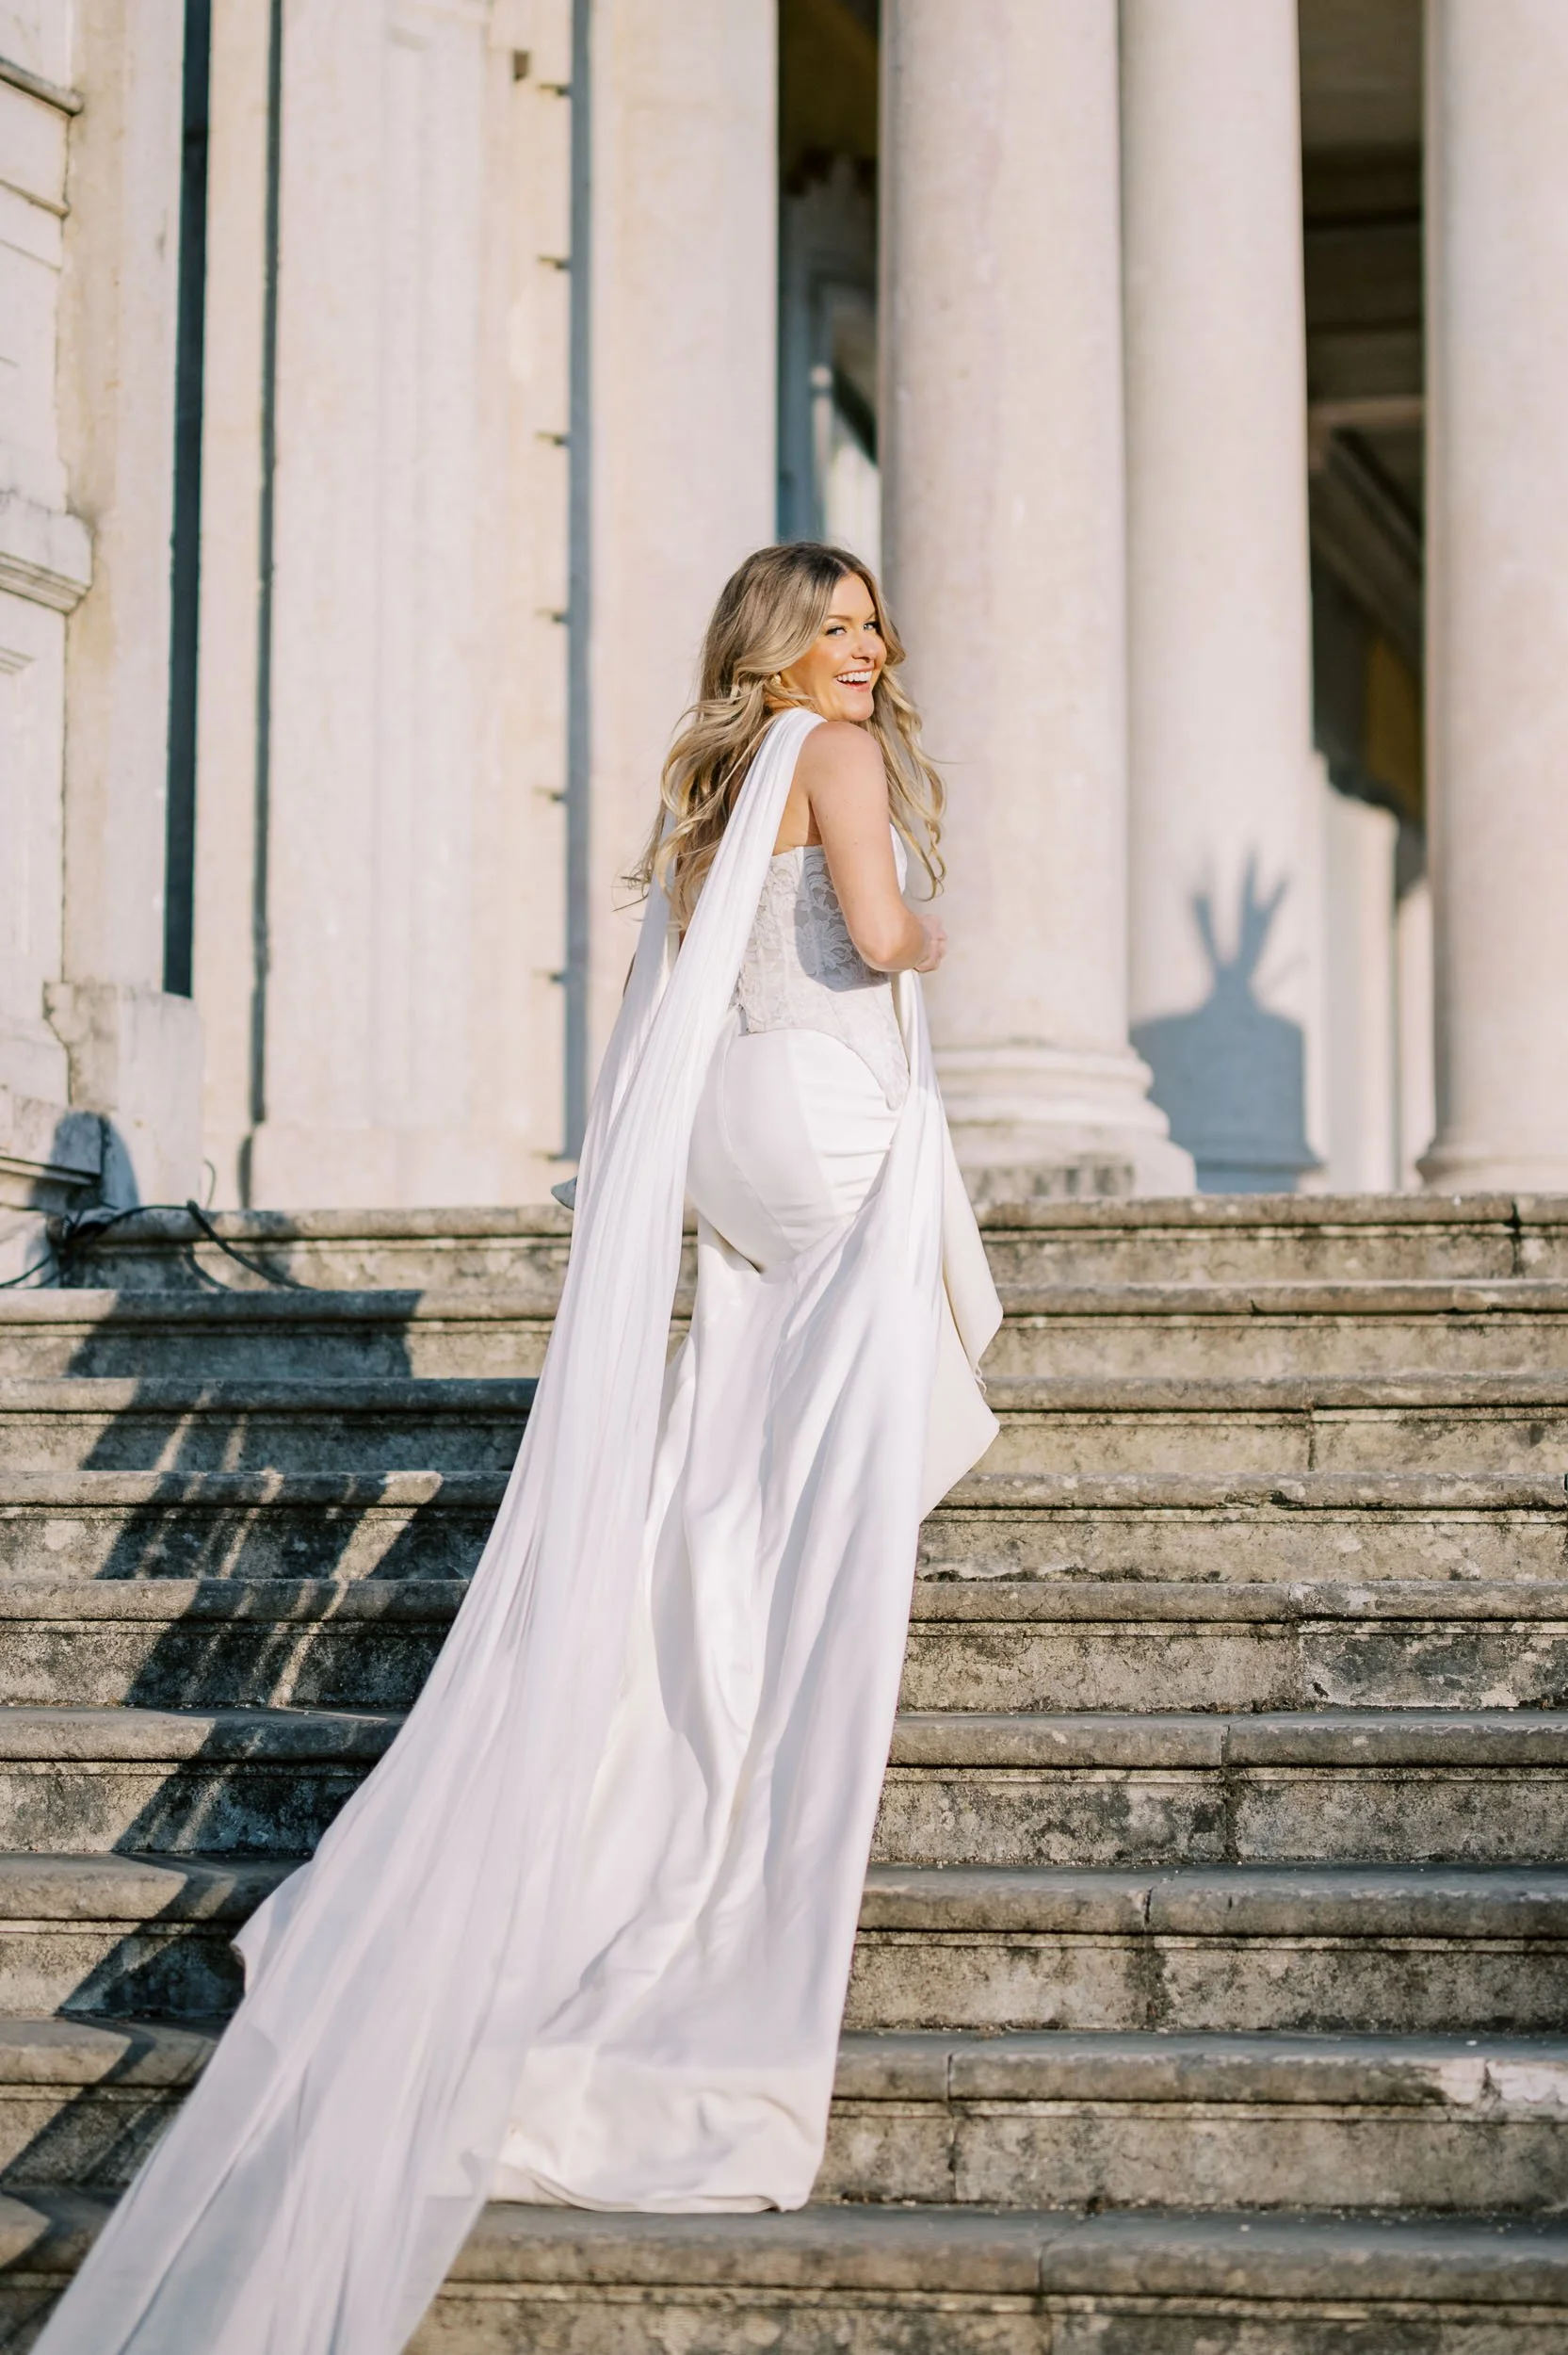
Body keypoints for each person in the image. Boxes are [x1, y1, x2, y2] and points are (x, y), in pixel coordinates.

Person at [34, 543, 1000, 2355]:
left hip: (729, 1145)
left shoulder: (713, 787)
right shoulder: (842, 762)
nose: (869, 649)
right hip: (831, 1126)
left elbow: (677, 1007)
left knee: (753, 1436)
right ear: (781, 649)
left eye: (875, 621)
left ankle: (736, 1600)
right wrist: (933, 934)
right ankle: (786, 1645)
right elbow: (875, 941)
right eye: (840, 624)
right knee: (856, 1425)